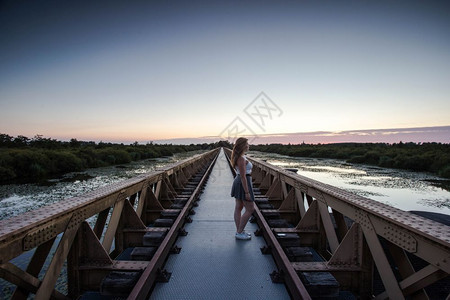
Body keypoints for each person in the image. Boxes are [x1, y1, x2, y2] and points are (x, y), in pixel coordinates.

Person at [230, 137, 255, 240]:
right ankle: (239, 232)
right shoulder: (241, 158)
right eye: (247, 143)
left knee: (239, 207)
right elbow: (243, 176)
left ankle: (239, 231)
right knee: (250, 209)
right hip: (242, 182)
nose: (248, 145)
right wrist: (247, 192)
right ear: (243, 145)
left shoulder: (240, 156)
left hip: (239, 181)